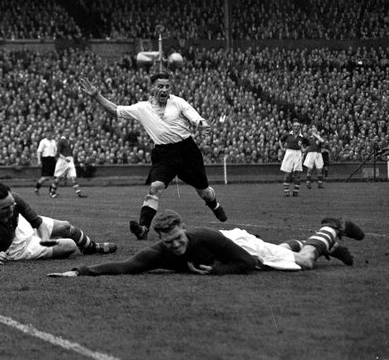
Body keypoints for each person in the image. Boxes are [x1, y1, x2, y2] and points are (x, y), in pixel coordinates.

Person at [77, 70, 226, 240]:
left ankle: (214, 204)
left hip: (187, 151)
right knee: (155, 187)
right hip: (163, 154)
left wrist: (203, 125)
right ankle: (143, 229)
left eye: (167, 86)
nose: (164, 90)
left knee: (204, 192)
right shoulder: (142, 108)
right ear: (152, 88)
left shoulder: (178, 103)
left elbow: (196, 118)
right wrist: (96, 95)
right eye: (160, 86)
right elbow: (115, 110)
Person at [47, 210, 364, 277]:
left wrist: (215, 272)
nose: (175, 246)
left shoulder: (207, 237)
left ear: (185, 229)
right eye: (168, 242)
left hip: (239, 246)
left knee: (304, 262)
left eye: (178, 238)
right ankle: (313, 243)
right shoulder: (160, 251)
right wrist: (80, 271)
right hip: (234, 248)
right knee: (279, 253)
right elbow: (127, 266)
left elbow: (249, 264)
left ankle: (332, 228)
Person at [0, 181, 116, 265]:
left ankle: (91, 247)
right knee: (70, 245)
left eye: (12, 205)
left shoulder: (14, 199)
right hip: (17, 248)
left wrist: (45, 240)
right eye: (5, 208)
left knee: (66, 226)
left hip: (22, 225)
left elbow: (37, 222)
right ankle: (79, 246)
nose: (11, 209)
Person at [51, 132, 87, 198]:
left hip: (70, 161)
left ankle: (79, 193)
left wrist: (74, 153)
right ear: (63, 133)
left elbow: (71, 152)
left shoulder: (70, 141)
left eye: (69, 132)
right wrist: (65, 158)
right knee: (59, 178)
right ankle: (52, 192)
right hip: (63, 161)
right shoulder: (61, 141)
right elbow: (58, 153)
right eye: (66, 132)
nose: (68, 133)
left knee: (73, 177)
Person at [279, 127, 304, 197]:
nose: (296, 129)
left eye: (298, 127)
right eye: (295, 127)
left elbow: (304, 145)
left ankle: (296, 191)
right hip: (289, 154)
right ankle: (286, 191)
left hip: (298, 154)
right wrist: (282, 148)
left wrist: (304, 150)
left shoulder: (301, 137)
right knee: (287, 173)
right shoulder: (288, 135)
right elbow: (280, 140)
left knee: (297, 173)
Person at [34, 130, 58, 195]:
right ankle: (37, 188)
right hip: (46, 159)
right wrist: (39, 160)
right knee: (45, 177)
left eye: (51, 133)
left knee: (52, 177)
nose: (49, 135)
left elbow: (56, 151)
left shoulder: (54, 142)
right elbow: (39, 151)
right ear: (46, 134)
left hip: (52, 159)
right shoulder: (43, 141)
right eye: (48, 133)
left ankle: (51, 191)